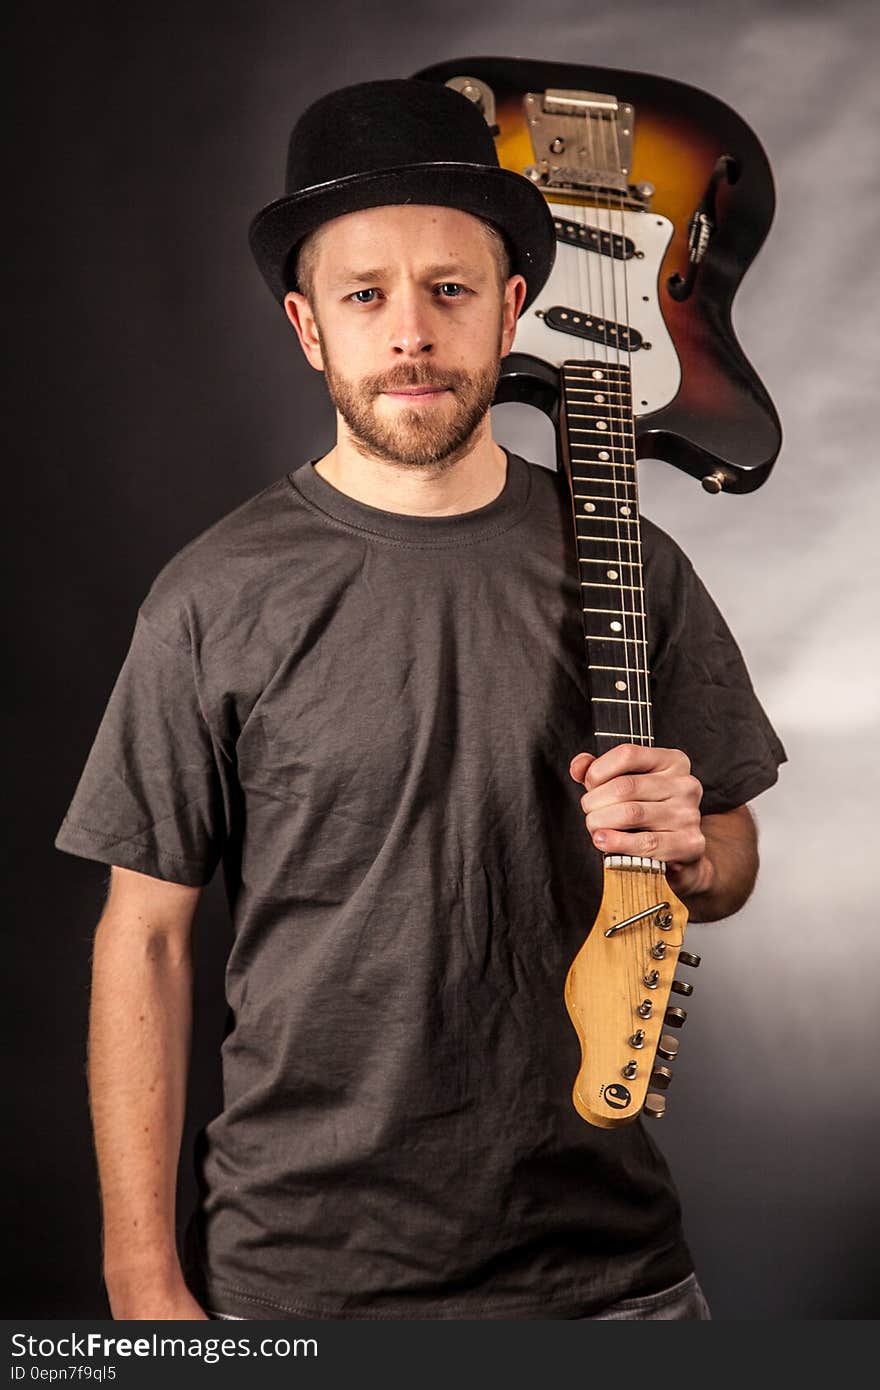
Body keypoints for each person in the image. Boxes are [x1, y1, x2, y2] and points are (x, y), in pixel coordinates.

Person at [54, 78, 786, 1322]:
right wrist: (139, 1273)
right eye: (365, 295)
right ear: (307, 327)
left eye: (449, 290)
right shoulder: (211, 598)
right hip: (301, 1277)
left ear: (510, 311)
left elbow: (725, 860)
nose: (410, 333)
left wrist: (692, 843)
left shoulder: (630, 558)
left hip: (611, 1277)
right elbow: (149, 936)